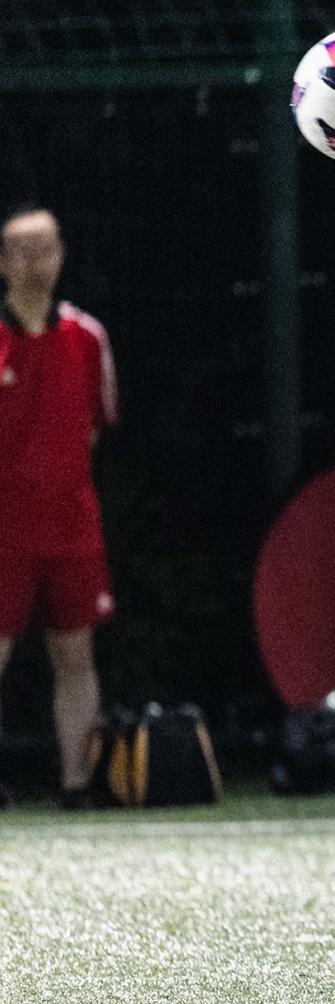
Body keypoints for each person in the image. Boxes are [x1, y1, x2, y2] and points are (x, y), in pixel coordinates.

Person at [0, 205, 116, 808]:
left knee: (76, 656)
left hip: (73, 526)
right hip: (4, 530)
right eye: (20, 249)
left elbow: (92, 430)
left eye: (44, 247)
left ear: (62, 254)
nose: (34, 259)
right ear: (1, 261)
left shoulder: (89, 338)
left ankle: (76, 783)